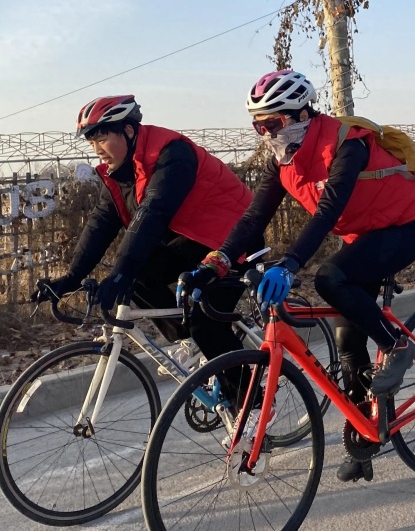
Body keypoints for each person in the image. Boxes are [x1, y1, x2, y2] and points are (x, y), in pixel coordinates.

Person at [194, 69, 415, 483]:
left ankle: (397, 345)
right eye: (259, 126)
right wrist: (219, 259)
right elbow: (253, 217)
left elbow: (327, 212)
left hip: (403, 227)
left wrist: (290, 264)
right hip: (363, 235)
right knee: (347, 340)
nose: (267, 134)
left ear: (302, 114)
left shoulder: (346, 144)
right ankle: (365, 436)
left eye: (273, 123)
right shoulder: (283, 162)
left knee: (329, 279)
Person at [33, 95, 261, 383]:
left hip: (237, 240)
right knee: (137, 275)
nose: (97, 150)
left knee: (207, 324)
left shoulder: (172, 154)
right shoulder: (121, 171)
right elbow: (101, 223)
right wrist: (72, 277)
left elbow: (153, 212)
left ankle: (247, 400)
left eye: (102, 139)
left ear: (128, 131)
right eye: (91, 143)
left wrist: (121, 271)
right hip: (196, 240)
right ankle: (188, 339)